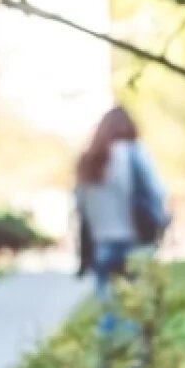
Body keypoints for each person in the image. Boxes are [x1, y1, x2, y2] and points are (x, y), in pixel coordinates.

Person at [74, 105, 169, 340]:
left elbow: (81, 209)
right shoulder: (134, 153)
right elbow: (157, 193)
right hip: (134, 244)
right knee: (135, 319)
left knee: (108, 318)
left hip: (102, 247)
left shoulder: (90, 160)